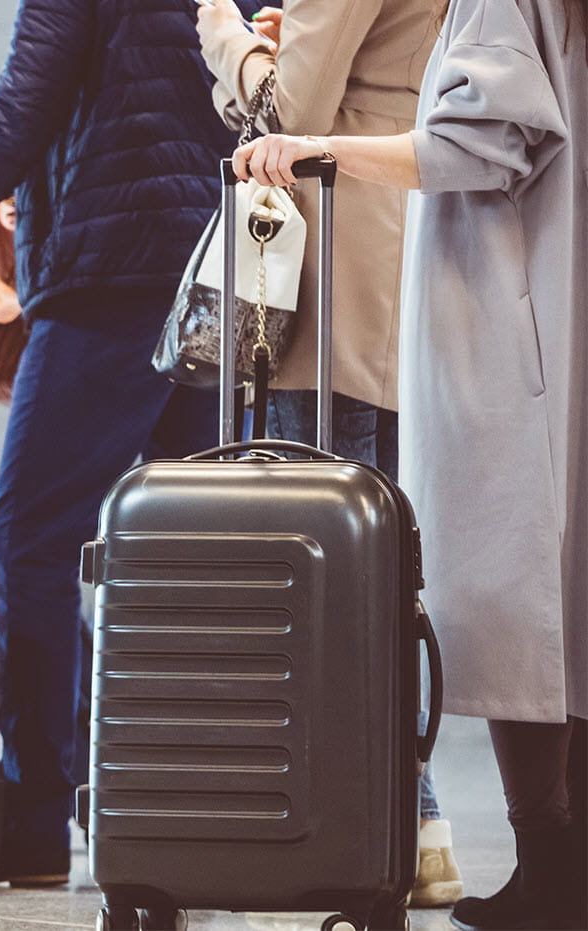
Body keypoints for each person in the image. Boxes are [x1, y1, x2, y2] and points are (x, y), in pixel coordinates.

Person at [0, 0, 258, 885]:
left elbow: (18, 117)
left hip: (108, 277)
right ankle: (186, 816)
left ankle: (35, 816)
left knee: (29, 540)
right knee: (182, 559)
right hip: (211, 273)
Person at [233, 0, 586, 926]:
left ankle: (552, 863)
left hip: (508, 318)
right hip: (554, 305)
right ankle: (561, 862)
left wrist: (324, 149)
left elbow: (477, 145)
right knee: (562, 598)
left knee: (515, 597)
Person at [193, 0, 461, 908]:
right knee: (387, 572)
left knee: (330, 583)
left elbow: (289, 107)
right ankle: (415, 825)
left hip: (330, 282)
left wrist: (223, 37)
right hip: (398, 265)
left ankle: (361, 827)